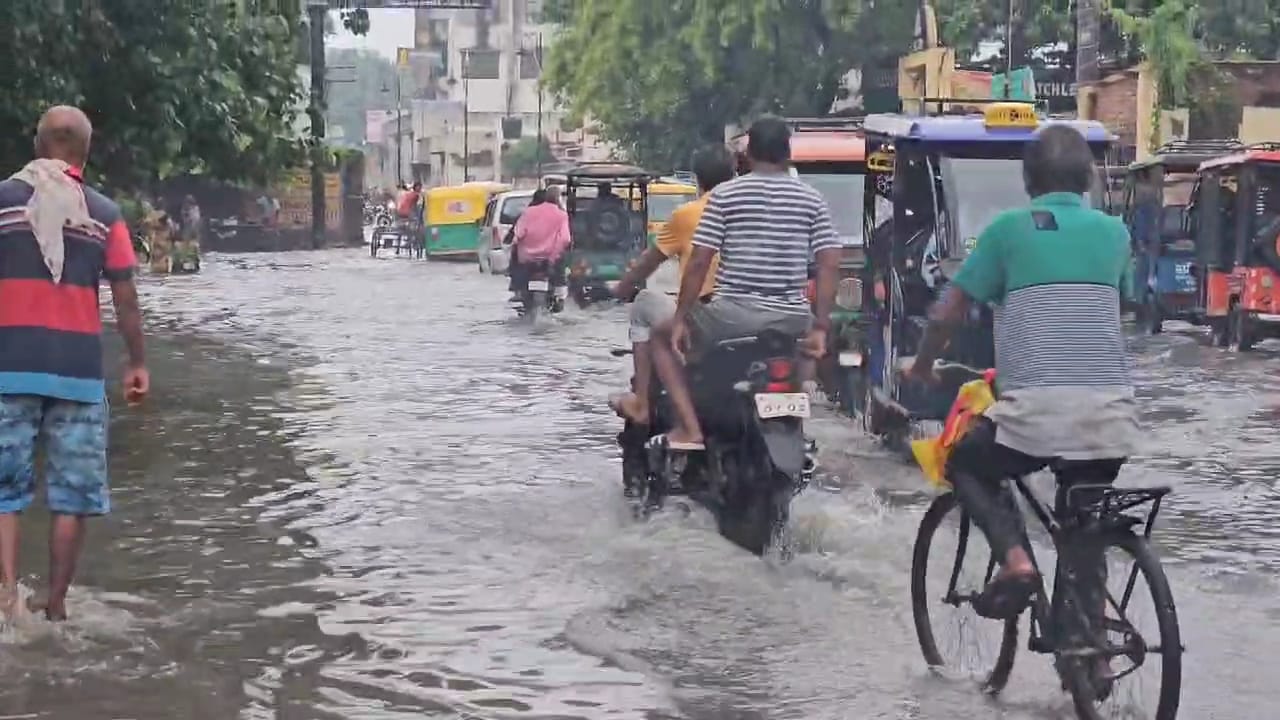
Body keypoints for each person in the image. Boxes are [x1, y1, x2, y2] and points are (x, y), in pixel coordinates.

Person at [904, 125, 1136, 621]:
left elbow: (948, 311)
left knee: (964, 462)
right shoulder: (1116, 233)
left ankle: (1015, 560)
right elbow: (1123, 303)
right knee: (1083, 527)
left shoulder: (1008, 231)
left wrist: (921, 365)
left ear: (1028, 182)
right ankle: (1089, 653)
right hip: (1112, 416)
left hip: (1036, 414)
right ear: (1088, 180)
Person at [0, 106, 148, 621]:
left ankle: (7, 599)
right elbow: (126, 298)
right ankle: (57, 606)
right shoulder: (104, 214)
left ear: (37, 144)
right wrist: (136, 363)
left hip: (7, 368)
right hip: (79, 375)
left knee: (4, 492)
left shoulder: (2, 203)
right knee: (72, 495)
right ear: (86, 151)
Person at [648, 117, 841, 450]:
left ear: (748, 154)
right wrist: (821, 325)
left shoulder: (725, 195)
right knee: (805, 351)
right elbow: (829, 262)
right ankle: (794, 424)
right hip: (793, 319)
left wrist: (680, 319)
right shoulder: (812, 199)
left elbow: (699, 261)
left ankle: (690, 429)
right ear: (787, 154)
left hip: (732, 318)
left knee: (659, 336)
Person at [608, 145, 736, 424]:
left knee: (643, 305)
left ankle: (642, 402)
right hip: (759, 313)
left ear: (697, 179)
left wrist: (622, 287)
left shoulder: (690, 214)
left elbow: (650, 261)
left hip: (709, 312)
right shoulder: (754, 211)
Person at [509, 186, 571, 299]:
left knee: (520, 277)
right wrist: (554, 254)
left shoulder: (529, 212)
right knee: (560, 276)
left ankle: (518, 291)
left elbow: (518, 234)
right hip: (550, 259)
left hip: (527, 258)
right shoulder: (561, 215)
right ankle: (559, 295)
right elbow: (565, 239)